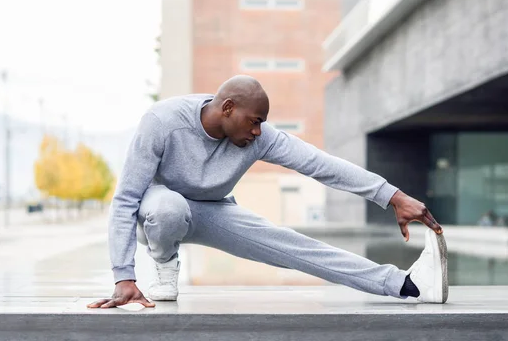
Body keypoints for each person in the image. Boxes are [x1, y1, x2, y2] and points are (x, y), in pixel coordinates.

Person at [87, 75, 447, 309]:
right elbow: (125, 200)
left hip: (214, 210)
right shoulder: (162, 122)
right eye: (254, 121)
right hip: (159, 211)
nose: (259, 131)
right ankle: (165, 265)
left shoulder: (259, 137)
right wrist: (124, 275)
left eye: (262, 123)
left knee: (293, 246)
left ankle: (406, 285)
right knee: (168, 208)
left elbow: (320, 164)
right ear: (227, 109)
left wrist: (391, 195)